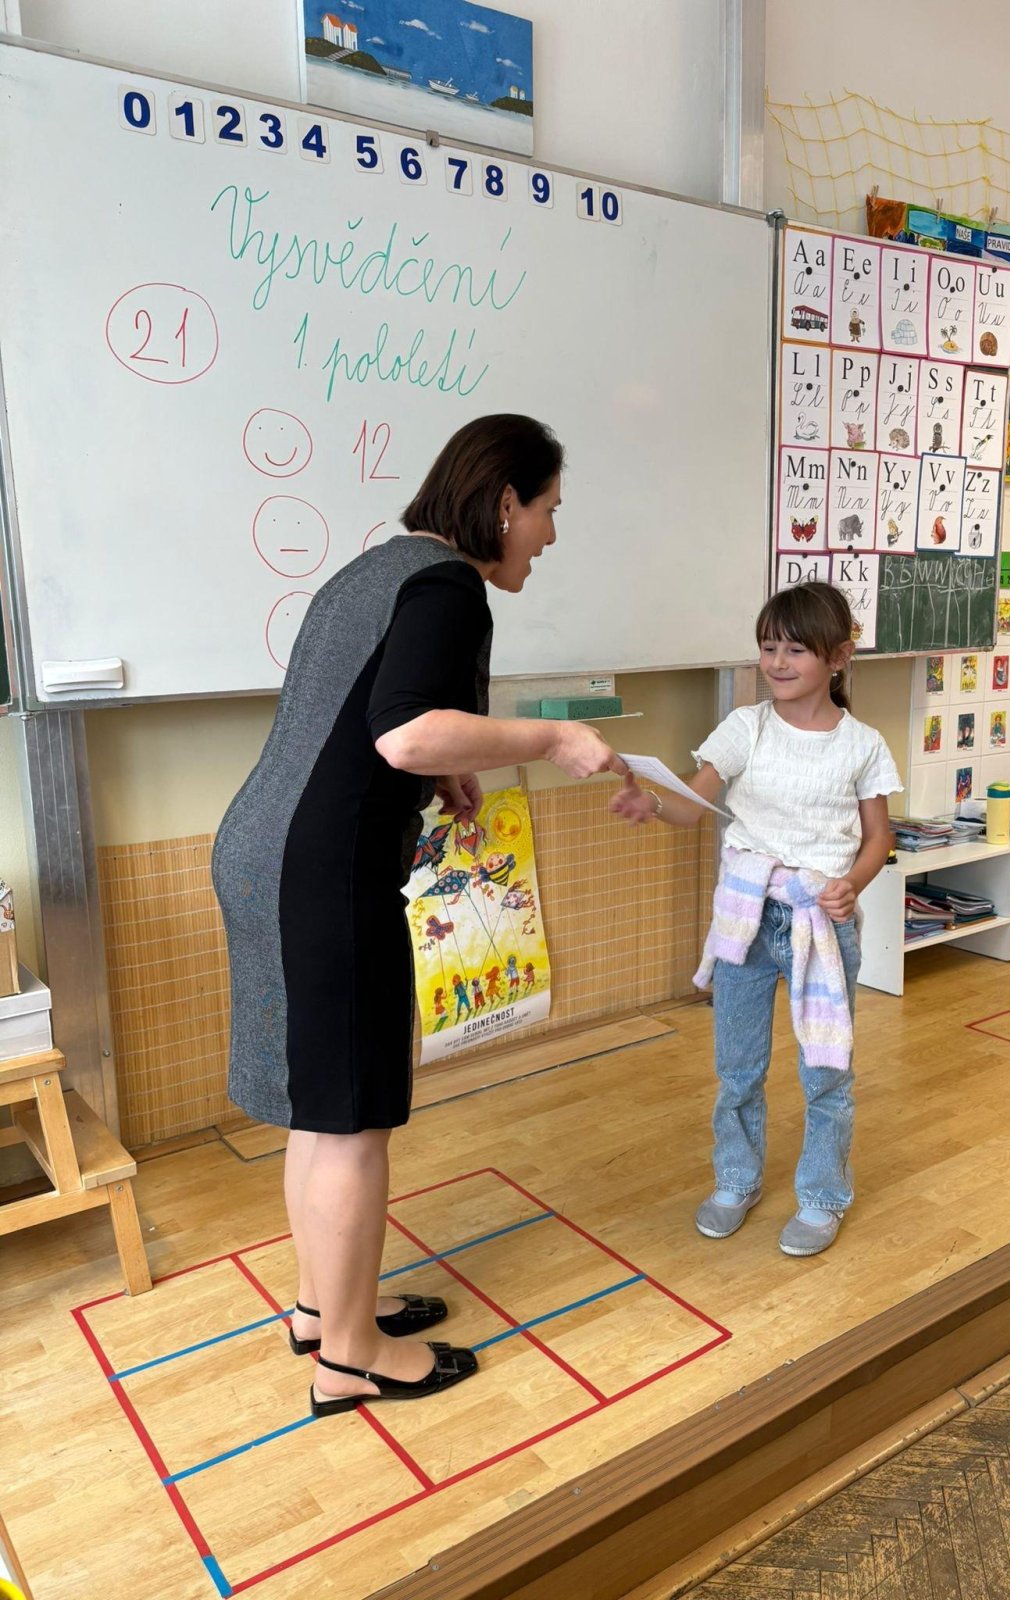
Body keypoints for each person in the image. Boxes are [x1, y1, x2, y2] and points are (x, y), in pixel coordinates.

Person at [213, 414, 624, 1417]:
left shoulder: (379, 569)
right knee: (354, 1119)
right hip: (326, 870)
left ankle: (324, 1309)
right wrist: (548, 739)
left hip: (264, 849)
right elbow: (402, 731)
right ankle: (351, 1360)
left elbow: (365, 718)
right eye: (549, 510)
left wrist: (445, 770)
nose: (551, 535)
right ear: (504, 503)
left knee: (322, 1106)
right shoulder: (449, 588)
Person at [611, 582, 900, 1256]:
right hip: (746, 913)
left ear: (838, 657)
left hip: (820, 923)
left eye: (795, 649)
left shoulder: (862, 745)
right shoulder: (746, 727)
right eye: (768, 647)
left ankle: (823, 1197)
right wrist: (653, 805)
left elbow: (879, 837)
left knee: (826, 1070)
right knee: (737, 1068)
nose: (776, 662)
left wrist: (851, 886)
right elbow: (692, 806)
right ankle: (736, 1181)